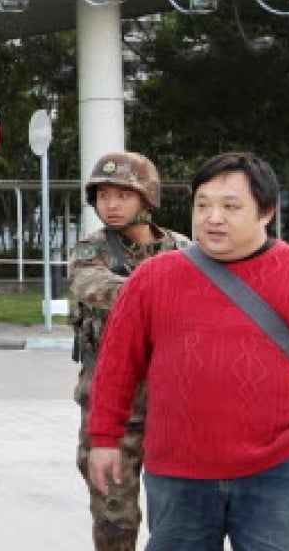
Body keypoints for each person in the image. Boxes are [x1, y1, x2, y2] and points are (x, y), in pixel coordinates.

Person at [88, 152, 289, 550]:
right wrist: (104, 439)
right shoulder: (154, 278)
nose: (213, 218)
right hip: (178, 475)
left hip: (281, 473)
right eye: (203, 205)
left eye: (230, 207)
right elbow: (117, 366)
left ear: (266, 211)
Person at [70, 152, 189, 550]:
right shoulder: (92, 250)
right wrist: (159, 290)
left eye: (123, 194)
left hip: (175, 403)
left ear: (146, 199)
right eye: (103, 195)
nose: (112, 204)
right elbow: (93, 287)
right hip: (112, 407)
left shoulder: (184, 249)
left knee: (179, 515)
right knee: (114, 518)